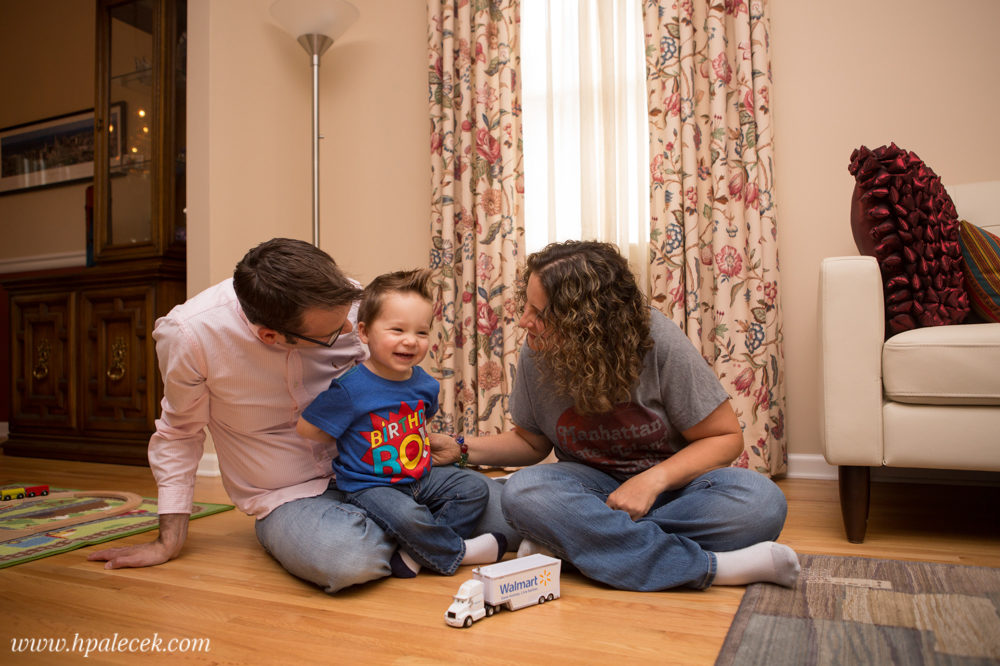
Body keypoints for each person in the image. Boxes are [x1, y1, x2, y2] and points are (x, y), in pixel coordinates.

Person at [87, 238, 518, 592]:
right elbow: (180, 433)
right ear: (271, 336)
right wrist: (169, 538)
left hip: (386, 471)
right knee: (347, 559)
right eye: (332, 334)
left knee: (517, 515)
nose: (349, 331)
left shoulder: (346, 304)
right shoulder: (191, 336)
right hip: (289, 493)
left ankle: (413, 536)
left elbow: (387, 387)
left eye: (350, 319)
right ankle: (413, 534)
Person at [439, 240, 800, 592]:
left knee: (762, 503)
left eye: (539, 313)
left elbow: (724, 437)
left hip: (671, 492)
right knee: (524, 492)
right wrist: (460, 447)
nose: (523, 321)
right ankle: (712, 568)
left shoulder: (657, 339)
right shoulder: (538, 349)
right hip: (588, 490)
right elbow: (530, 442)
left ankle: (572, 542)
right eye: (526, 306)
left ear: (586, 320)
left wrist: (652, 481)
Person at [296, 269, 506, 578]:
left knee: (473, 488)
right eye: (397, 330)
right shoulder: (350, 389)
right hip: (370, 485)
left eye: (421, 333)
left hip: (421, 475)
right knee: (409, 515)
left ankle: (415, 554)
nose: (410, 341)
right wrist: (344, 433)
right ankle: (460, 552)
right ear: (364, 333)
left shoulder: (426, 385)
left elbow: (423, 420)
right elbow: (306, 428)